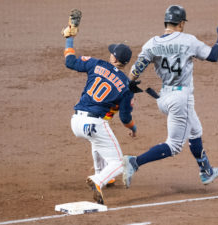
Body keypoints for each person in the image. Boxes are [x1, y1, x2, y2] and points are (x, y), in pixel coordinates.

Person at [123, 5, 218, 188]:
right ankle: (135, 162)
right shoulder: (188, 40)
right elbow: (213, 56)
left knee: (195, 130)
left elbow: (135, 72)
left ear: (166, 22)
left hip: (164, 97)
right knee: (174, 146)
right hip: (181, 99)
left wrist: (130, 86)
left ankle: (206, 171)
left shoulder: (152, 44)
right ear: (181, 24)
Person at [63, 23, 137, 204]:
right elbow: (125, 118)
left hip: (76, 121)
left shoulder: (96, 64)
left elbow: (70, 61)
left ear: (113, 58)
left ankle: (101, 174)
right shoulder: (126, 86)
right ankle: (98, 180)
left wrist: (69, 38)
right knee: (119, 164)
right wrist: (133, 128)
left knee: (97, 139)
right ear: (125, 63)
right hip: (94, 124)